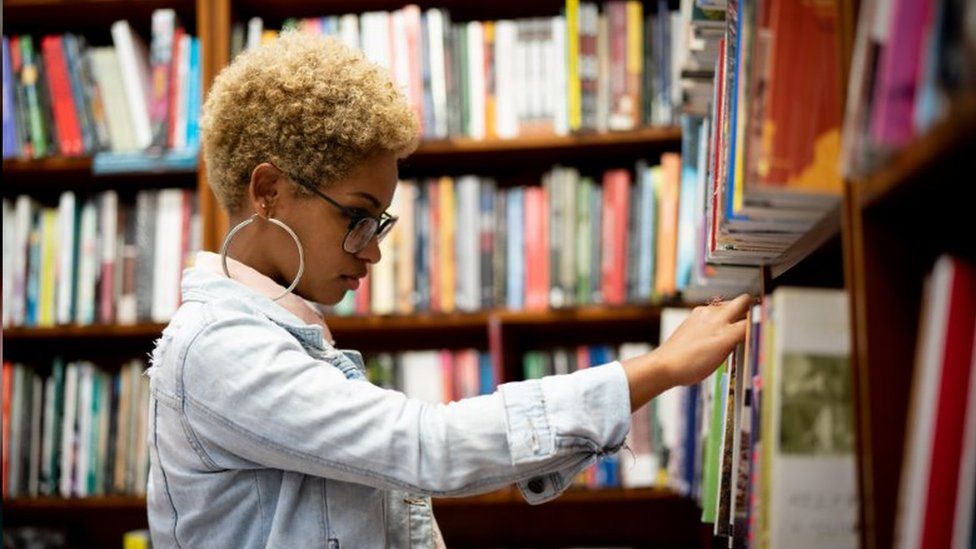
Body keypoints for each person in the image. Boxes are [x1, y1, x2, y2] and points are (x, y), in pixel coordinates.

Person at [145, 31, 750, 548]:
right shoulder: (219, 348)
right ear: (268, 191)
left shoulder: (281, 332)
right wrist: (662, 368)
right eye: (356, 215)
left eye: (379, 222)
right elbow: (426, 446)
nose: (372, 250)